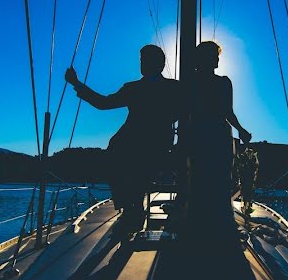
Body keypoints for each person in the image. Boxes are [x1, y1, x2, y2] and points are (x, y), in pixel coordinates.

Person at [65, 44, 179, 232]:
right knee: (117, 158)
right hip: (138, 141)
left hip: (147, 143)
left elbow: (103, 103)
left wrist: (77, 84)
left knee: (130, 159)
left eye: (145, 60)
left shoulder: (166, 88)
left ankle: (132, 208)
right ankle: (131, 207)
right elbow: (104, 103)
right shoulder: (143, 88)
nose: (142, 64)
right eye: (141, 60)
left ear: (159, 63)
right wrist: (77, 84)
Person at [188, 41, 252, 229]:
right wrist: (241, 130)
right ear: (203, 59)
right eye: (213, 56)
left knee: (208, 176)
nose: (217, 59)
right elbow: (227, 112)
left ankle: (202, 220)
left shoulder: (194, 82)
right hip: (214, 133)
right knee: (214, 177)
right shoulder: (221, 83)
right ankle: (215, 221)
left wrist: (241, 129)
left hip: (205, 133)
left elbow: (228, 112)